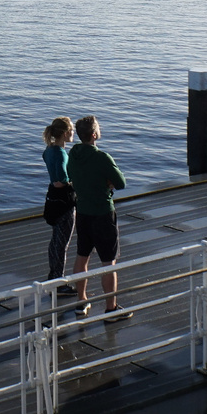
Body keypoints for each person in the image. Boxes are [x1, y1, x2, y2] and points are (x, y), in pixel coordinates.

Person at [67, 115, 131, 320]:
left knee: (82, 256)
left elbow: (73, 178)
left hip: (83, 212)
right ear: (94, 134)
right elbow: (121, 183)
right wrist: (107, 182)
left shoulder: (73, 155)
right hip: (103, 213)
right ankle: (111, 308)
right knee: (108, 262)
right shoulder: (102, 158)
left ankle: (81, 301)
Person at [40, 116, 77, 284]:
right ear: (64, 133)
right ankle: (58, 281)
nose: (73, 133)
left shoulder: (48, 150)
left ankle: (53, 274)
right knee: (62, 242)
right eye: (71, 130)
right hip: (64, 202)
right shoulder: (61, 154)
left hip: (52, 200)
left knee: (55, 240)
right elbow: (61, 180)